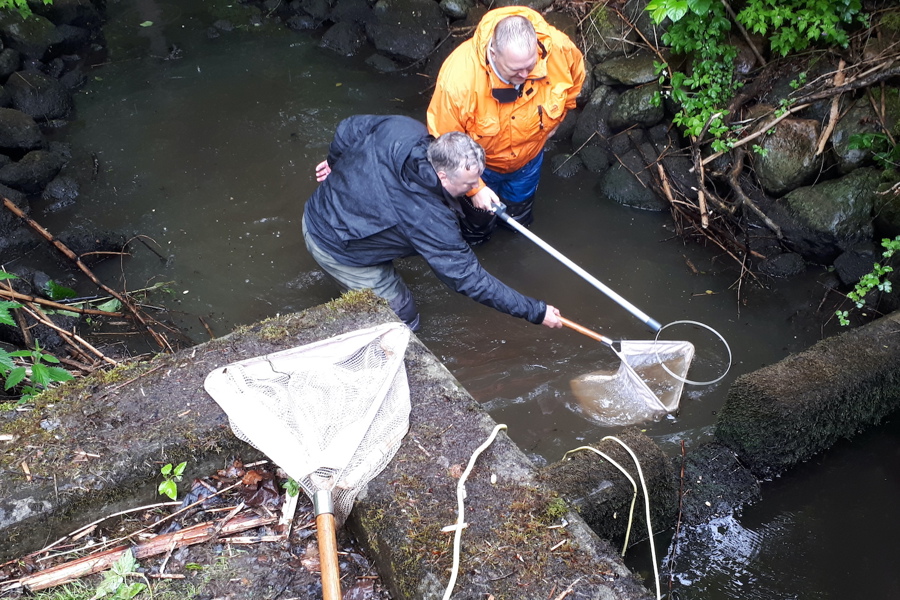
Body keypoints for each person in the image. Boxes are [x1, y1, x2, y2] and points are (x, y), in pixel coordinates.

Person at [302, 114, 562, 332]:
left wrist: (336, 164)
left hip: (333, 204)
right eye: (470, 184)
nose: (477, 188)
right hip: (335, 244)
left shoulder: (403, 129)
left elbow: (348, 128)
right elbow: (468, 278)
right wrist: (535, 311)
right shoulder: (429, 219)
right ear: (442, 175)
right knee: (402, 315)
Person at [427, 6, 585, 244]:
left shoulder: (559, 49)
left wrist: (560, 117)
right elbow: (445, 143)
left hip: (528, 162)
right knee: (475, 229)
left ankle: (512, 238)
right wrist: (475, 188)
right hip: (479, 168)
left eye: (530, 66)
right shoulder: (458, 80)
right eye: (515, 70)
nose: (524, 75)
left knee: (517, 221)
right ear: (494, 51)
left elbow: (575, 81)